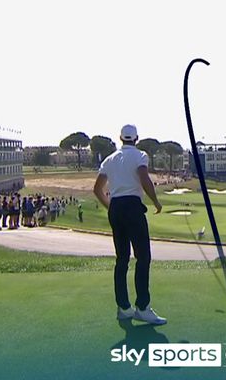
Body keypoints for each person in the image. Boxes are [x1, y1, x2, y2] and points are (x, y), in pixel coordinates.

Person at [93, 124, 166, 325]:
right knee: (143, 257)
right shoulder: (140, 155)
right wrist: (156, 202)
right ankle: (142, 307)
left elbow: (97, 189)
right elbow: (143, 177)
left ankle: (124, 308)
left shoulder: (110, 159)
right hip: (133, 206)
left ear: (120, 138)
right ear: (136, 138)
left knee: (122, 259)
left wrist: (110, 206)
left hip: (116, 207)